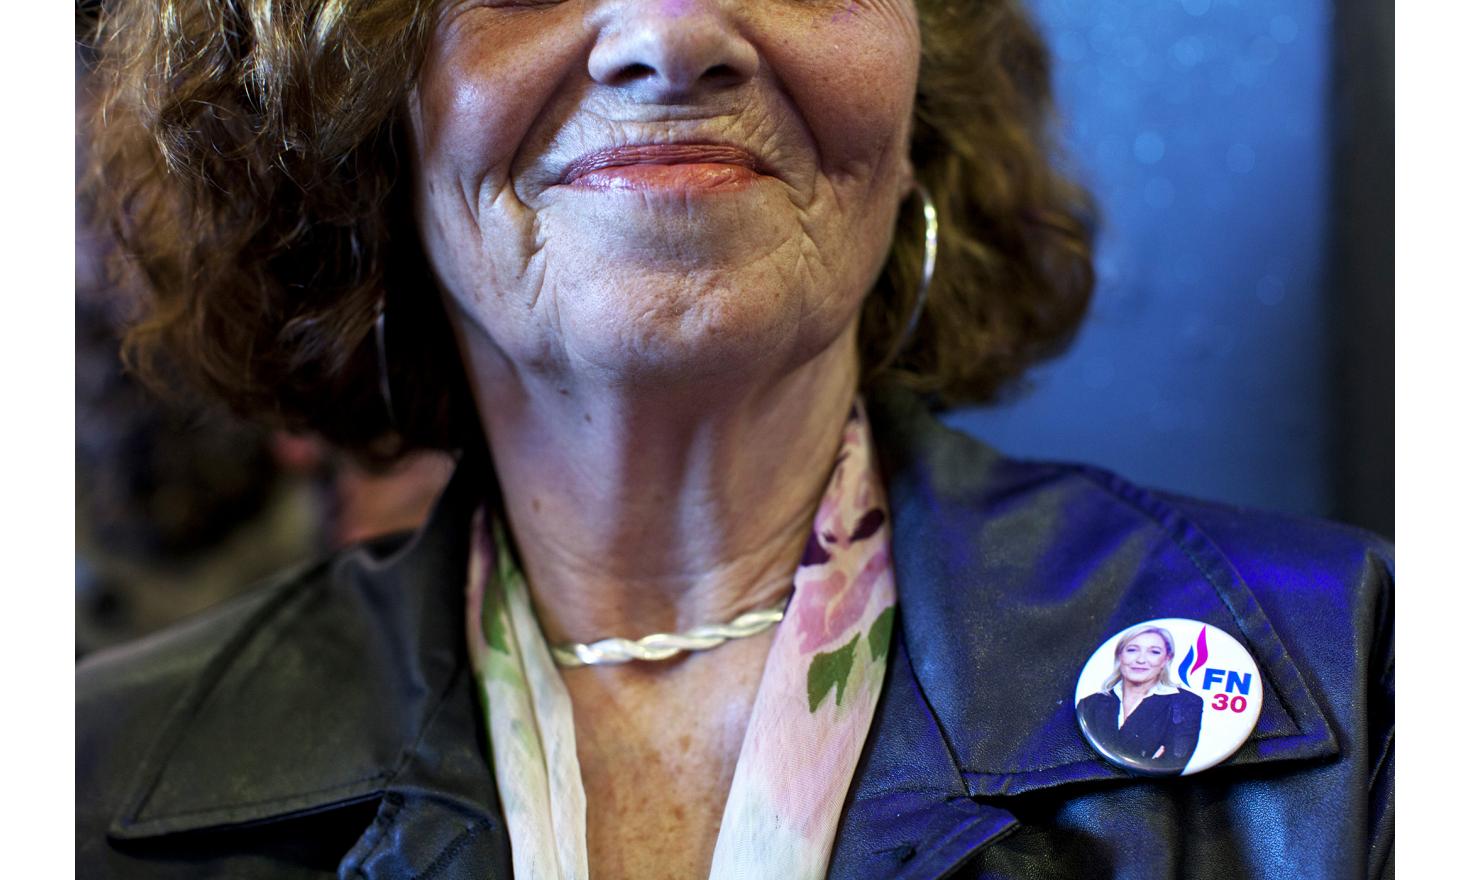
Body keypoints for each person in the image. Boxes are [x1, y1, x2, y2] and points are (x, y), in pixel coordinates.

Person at [76, 1, 1393, 878]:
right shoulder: (88, 779)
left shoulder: (1364, 687)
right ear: (353, 112)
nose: (671, 33)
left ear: (918, 84)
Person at [1076, 625, 1204, 776]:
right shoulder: (1089, 703)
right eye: (1132, 650)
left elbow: (1175, 761)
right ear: (1119, 655)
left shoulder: (1185, 703)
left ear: (1166, 659)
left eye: (1154, 652)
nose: (1141, 659)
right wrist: (1147, 759)